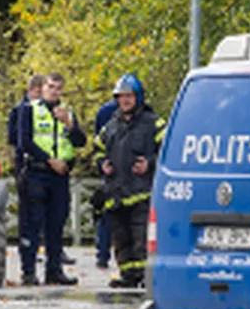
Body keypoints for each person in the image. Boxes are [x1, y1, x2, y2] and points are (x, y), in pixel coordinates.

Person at [94, 73, 165, 289]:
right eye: (121, 97)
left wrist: (150, 164)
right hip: (116, 192)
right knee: (120, 238)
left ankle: (145, 277)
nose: (125, 101)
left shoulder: (154, 123)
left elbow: (169, 151)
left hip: (142, 192)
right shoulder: (111, 125)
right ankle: (128, 275)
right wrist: (102, 164)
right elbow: (97, 149)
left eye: (129, 96)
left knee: (140, 237)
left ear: (138, 97)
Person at [15, 72, 86, 286]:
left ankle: (54, 270)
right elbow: (23, 142)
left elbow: (80, 141)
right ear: (43, 88)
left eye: (58, 88)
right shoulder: (29, 110)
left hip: (60, 176)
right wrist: (49, 160)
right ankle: (28, 271)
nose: (54, 91)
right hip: (37, 172)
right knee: (32, 224)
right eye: (51, 87)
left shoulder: (67, 112)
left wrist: (69, 124)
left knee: (56, 225)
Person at [90, 96, 119, 270]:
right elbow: (98, 144)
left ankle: (103, 255)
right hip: (113, 172)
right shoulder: (106, 113)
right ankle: (102, 255)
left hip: (130, 174)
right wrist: (102, 164)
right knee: (106, 215)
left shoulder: (104, 111)